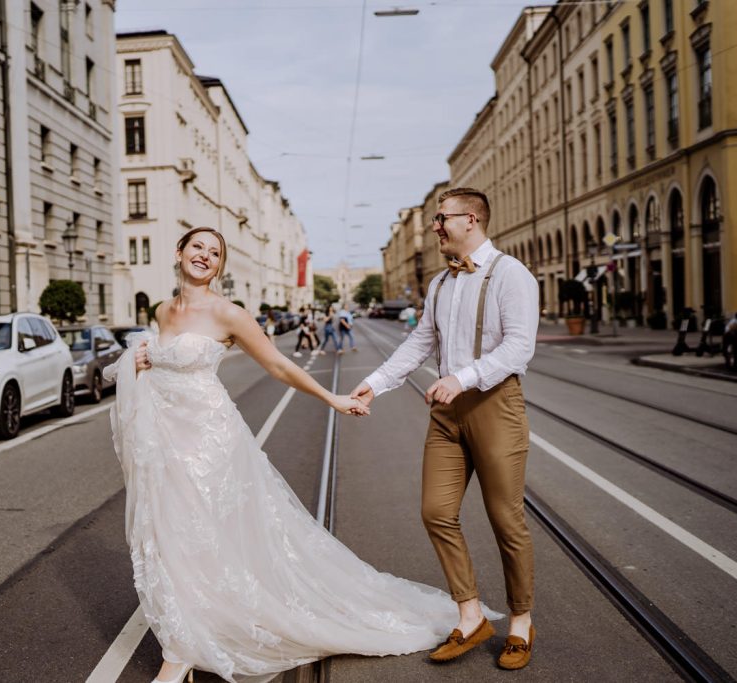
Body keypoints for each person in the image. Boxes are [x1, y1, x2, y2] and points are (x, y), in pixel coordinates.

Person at [104, 227, 496, 683]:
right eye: (198, 248)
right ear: (179, 252)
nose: (205, 257)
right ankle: (184, 642)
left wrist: (332, 398)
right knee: (174, 538)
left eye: (214, 253)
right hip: (169, 441)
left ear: (220, 266)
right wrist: (140, 362)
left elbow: (278, 364)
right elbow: (155, 361)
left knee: (204, 538)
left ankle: (180, 655)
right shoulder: (162, 311)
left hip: (210, 442)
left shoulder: (229, 313)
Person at [351, 188, 540, 670]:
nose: (435, 226)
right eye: (435, 218)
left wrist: (465, 377)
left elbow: (519, 347)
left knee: (506, 521)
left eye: (442, 218)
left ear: (471, 219)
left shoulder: (510, 274)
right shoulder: (440, 284)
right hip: (447, 414)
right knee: (436, 511)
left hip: (495, 406)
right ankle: (471, 615)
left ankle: (520, 623)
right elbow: (419, 343)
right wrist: (374, 384)